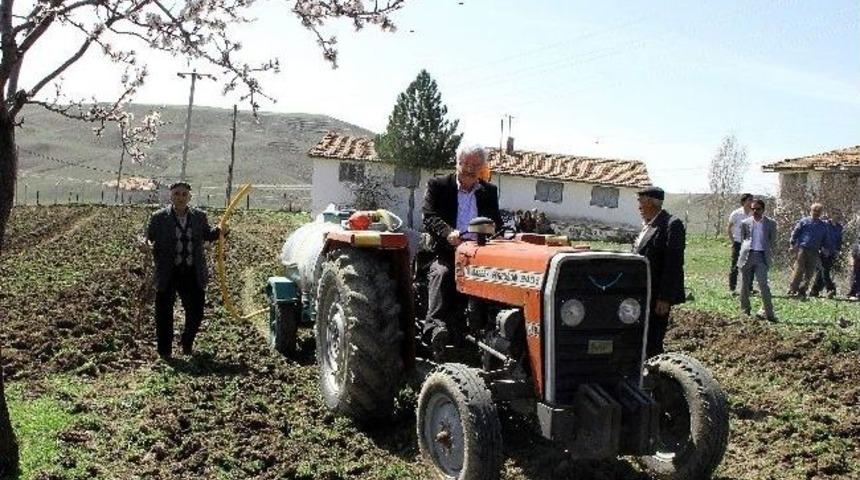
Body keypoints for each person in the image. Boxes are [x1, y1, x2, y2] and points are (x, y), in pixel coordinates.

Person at [422, 145, 502, 356]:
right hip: (446, 252)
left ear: (482, 167)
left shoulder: (489, 192)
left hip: (480, 255)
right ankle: (435, 328)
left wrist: (496, 234)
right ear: (456, 163)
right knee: (443, 273)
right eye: (465, 164)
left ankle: (492, 333)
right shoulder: (439, 185)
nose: (469, 169)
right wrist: (448, 232)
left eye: (475, 165)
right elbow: (429, 216)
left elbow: (496, 223)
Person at [144, 182, 222, 359]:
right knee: (163, 312)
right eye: (177, 194)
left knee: (196, 311)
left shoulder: (199, 216)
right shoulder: (159, 217)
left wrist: (220, 232)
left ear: (189, 197)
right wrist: (144, 244)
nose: (180, 197)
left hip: (192, 271)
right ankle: (165, 352)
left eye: (184, 194)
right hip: (167, 272)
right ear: (171, 196)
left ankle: (187, 342)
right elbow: (148, 237)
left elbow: (207, 234)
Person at [632, 186, 686, 358]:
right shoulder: (647, 225)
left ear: (652, 202)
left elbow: (673, 263)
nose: (638, 206)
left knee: (653, 339)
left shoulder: (671, 225)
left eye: (641, 201)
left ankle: (654, 373)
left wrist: (665, 297)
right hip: (641, 292)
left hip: (657, 295)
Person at [737, 198, 777, 321]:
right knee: (744, 286)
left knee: (763, 285)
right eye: (752, 209)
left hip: (761, 257)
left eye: (758, 209)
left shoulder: (771, 223)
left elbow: (772, 240)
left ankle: (769, 314)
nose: (755, 211)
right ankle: (745, 312)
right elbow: (744, 239)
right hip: (747, 256)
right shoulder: (745, 222)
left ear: (763, 210)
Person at [787, 203, 827, 298]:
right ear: (811, 211)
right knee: (799, 270)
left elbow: (825, 238)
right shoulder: (804, 221)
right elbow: (795, 233)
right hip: (802, 249)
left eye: (818, 211)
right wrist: (792, 244)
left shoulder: (823, 225)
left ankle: (803, 290)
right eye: (814, 211)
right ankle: (792, 289)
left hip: (814, 251)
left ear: (821, 213)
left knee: (810, 272)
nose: (816, 213)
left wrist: (825, 248)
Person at [810, 211, 843, 298]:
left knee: (822, 272)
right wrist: (821, 248)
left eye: (839, 214)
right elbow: (819, 236)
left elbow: (839, 240)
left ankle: (814, 291)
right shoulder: (824, 224)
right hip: (823, 251)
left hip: (832, 252)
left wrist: (838, 250)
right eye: (836, 214)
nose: (838, 216)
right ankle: (831, 289)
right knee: (825, 271)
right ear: (831, 215)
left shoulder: (839, 227)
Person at [727, 193, 754, 295]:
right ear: (743, 202)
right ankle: (732, 288)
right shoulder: (736, 214)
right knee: (735, 266)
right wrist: (733, 241)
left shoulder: (754, 214)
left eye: (752, 200)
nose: (751, 202)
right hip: (738, 242)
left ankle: (749, 288)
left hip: (750, 243)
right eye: (749, 200)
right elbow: (729, 228)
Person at [849, 231, 860, 301]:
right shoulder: (856, 246)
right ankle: (854, 293)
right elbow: (854, 255)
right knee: (856, 279)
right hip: (857, 265)